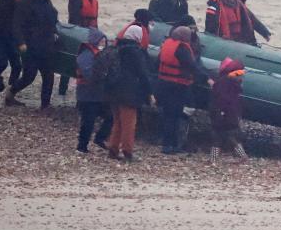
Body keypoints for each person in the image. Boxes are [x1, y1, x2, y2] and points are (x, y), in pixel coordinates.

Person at [5, 0, 59, 109]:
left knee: (48, 75)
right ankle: (11, 93)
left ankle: (45, 104)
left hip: (46, 42)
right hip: (30, 44)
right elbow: (16, 24)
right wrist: (21, 42)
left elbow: (52, 15)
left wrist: (54, 31)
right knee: (29, 75)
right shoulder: (23, 2)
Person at [106, 25, 154, 162]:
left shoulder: (116, 49)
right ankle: (127, 152)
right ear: (137, 37)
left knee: (117, 122)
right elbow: (143, 74)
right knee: (129, 124)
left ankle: (113, 149)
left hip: (113, 90)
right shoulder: (135, 52)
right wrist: (149, 92)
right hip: (128, 92)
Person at [157, 25, 205, 154]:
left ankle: (168, 144)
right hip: (177, 85)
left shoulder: (167, 44)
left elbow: (158, 62)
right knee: (174, 115)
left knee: (168, 115)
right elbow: (192, 65)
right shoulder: (182, 48)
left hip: (164, 83)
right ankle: (170, 145)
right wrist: (206, 78)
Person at [75, 28, 113, 154]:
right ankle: (82, 146)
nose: (103, 43)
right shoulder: (86, 55)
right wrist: (102, 76)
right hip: (87, 95)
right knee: (88, 122)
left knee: (110, 117)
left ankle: (100, 138)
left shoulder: (101, 54)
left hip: (99, 94)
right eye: (101, 40)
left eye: (104, 41)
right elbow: (89, 74)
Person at [60, 0, 99, 96]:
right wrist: (80, 34)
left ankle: (83, 90)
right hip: (78, 34)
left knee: (87, 63)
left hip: (90, 33)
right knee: (71, 62)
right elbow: (74, 17)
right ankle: (62, 90)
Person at [205, 0, 271, 44]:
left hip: (240, 41)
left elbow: (253, 19)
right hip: (224, 41)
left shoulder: (240, 6)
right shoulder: (214, 8)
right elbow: (210, 29)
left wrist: (265, 33)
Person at [209, 58, 248, 163]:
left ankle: (214, 159)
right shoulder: (235, 83)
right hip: (231, 112)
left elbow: (220, 98)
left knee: (218, 135)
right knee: (229, 135)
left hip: (222, 112)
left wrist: (220, 111)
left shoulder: (223, 82)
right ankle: (242, 155)